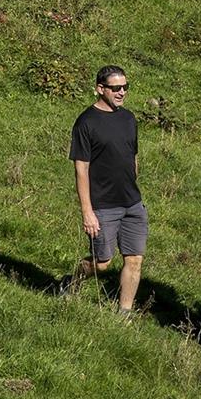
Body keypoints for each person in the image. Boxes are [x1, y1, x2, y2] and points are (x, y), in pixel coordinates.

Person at [62, 65, 148, 315]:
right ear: (100, 89)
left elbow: (132, 157)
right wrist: (87, 211)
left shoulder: (128, 118)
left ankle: (125, 314)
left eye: (125, 87)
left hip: (132, 203)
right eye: (115, 88)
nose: (121, 92)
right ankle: (73, 281)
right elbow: (81, 170)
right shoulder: (86, 122)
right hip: (103, 206)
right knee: (102, 263)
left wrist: (133, 183)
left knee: (134, 260)